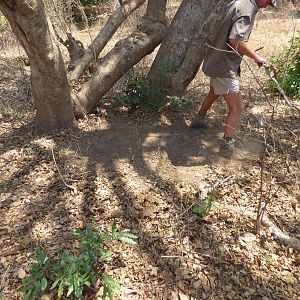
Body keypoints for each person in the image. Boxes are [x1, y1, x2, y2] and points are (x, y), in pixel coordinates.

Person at [191, 0, 277, 157]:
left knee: (214, 91)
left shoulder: (238, 2)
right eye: (268, 2)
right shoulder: (247, 9)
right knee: (237, 108)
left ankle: (199, 118)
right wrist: (257, 57)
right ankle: (227, 145)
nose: (266, 6)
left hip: (215, 60)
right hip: (223, 66)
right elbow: (235, 40)